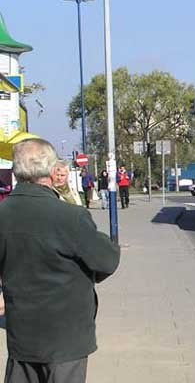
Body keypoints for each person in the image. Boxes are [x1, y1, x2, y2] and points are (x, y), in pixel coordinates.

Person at [0, 138, 120, 383]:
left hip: (22, 333)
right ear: (51, 169)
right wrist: (91, 274)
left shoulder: (4, 214)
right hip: (66, 336)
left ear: (16, 170)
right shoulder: (70, 216)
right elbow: (107, 260)